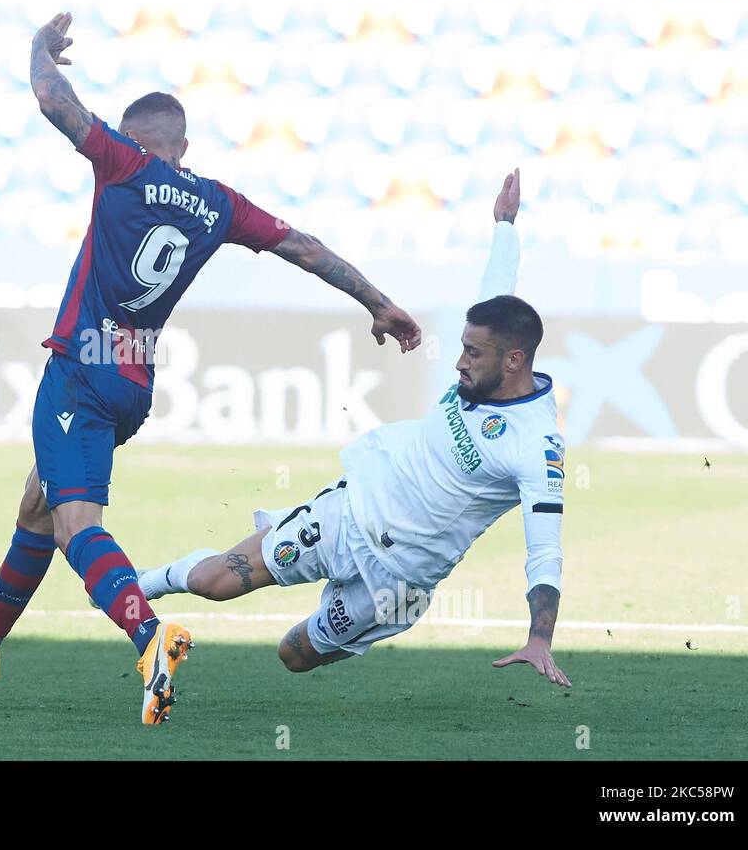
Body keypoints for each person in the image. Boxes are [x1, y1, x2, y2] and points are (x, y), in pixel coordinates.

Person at [0, 13, 424, 724]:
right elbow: (303, 246)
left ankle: (148, 635)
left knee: (74, 523)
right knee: (39, 502)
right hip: (133, 382)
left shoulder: (121, 164)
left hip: (79, 369)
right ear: (183, 146)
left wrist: (38, 47)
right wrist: (378, 302)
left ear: (135, 141)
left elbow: (52, 101)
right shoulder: (217, 203)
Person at [138, 170, 574, 689]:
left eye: (472, 353)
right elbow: (497, 285)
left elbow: (545, 548)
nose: (458, 363)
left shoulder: (536, 446)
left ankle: (355, 620)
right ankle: (132, 586)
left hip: (398, 581)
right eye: (462, 347)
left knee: (293, 655)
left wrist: (540, 637)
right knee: (215, 582)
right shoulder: (486, 364)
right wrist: (504, 225)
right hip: (348, 514)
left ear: (514, 361)